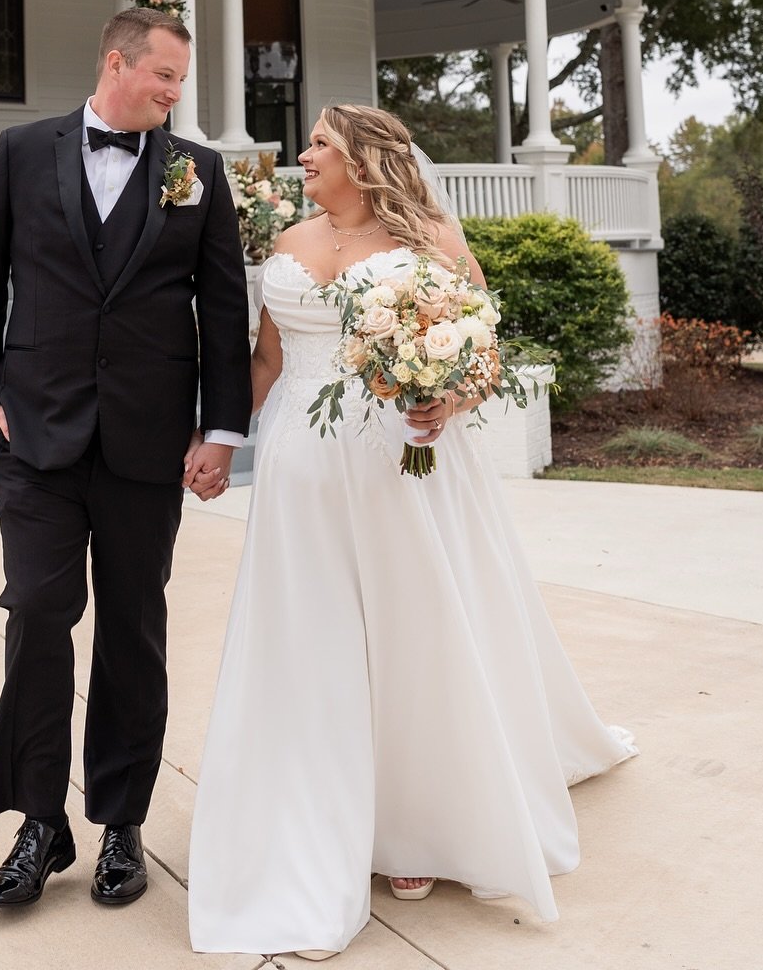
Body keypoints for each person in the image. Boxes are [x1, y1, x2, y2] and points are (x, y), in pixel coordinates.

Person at [187, 104, 636, 960]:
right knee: (312, 640)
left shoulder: (428, 234)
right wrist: (218, 442)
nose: (304, 156)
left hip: (403, 462)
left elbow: (484, 352)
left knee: (411, 633)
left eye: (320, 144)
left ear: (363, 158)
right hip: (299, 474)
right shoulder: (286, 243)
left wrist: (448, 400)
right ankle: (312, 808)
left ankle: (417, 826)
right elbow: (269, 363)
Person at [0, 6, 251, 913]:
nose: (173, 94)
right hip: (34, 436)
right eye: (163, 77)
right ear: (117, 63)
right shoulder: (19, 151)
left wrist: (222, 431)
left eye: (180, 83)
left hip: (146, 440)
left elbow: (224, 310)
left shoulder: (196, 174)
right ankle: (40, 826)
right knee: (38, 614)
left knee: (133, 630)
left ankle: (122, 824)